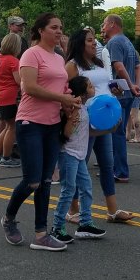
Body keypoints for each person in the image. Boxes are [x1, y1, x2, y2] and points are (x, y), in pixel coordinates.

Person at [0, 12, 81, 250]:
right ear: (40, 30)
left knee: (46, 181)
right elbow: (30, 87)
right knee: (33, 181)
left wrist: (70, 101)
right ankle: (9, 219)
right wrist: (61, 98)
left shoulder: (58, 57)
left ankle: (41, 235)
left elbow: (62, 86)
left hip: (52, 124)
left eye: (60, 27)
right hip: (30, 123)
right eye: (54, 27)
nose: (59, 31)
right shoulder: (31, 54)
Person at [65, 27, 134, 223]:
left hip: (105, 120)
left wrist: (116, 91)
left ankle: (112, 210)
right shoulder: (72, 66)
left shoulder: (98, 63)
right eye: (89, 40)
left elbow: (105, 86)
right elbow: (67, 92)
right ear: (79, 44)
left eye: (94, 39)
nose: (94, 42)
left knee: (107, 164)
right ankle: (72, 209)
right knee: (80, 165)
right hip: (85, 122)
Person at [50, 75, 107, 243]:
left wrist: (110, 128)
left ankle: (85, 224)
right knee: (68, 189)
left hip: (79, 154)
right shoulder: (73, 108)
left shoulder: (84, 108)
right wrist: (72, 115)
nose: (93, 87)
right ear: (82, 93)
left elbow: (87, 132)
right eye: (90, 86)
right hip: (68, 153)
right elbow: (67, 133)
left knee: (86, 187)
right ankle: (57, 227)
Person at [101, 13, 140, 183]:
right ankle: (115, 168)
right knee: (118, 132)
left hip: (118, 93)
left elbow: (118, 66)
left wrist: (131, 85)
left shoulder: (114, 42)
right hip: (128, 95)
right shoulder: (128, 42)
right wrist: (136, 85)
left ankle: (120, 171)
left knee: (115, 134)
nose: (103, 27)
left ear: (112, 24)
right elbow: (139, 66)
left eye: (104, 23)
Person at [0, 32, 22, 167]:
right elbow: (19, 81)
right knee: (12, 127)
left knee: (7, 126)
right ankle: (6, 157)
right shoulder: (13, 61)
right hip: (11, 96)